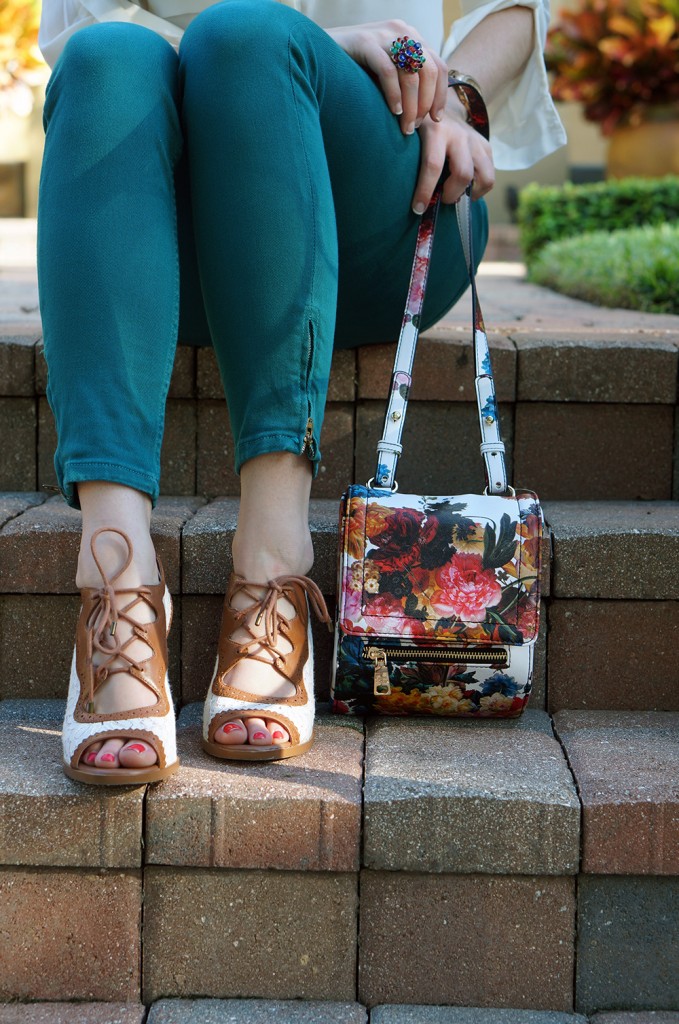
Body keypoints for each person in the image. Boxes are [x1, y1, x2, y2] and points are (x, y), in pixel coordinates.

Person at [36, 0, 565, 783]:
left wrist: (451, 94)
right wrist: (323, 43)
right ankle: (115, 579)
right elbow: (80, 26)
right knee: (106, 56)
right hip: (161, 242)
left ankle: (273, 560)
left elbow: (513, 8)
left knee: (247, 34)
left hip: (387, 200)